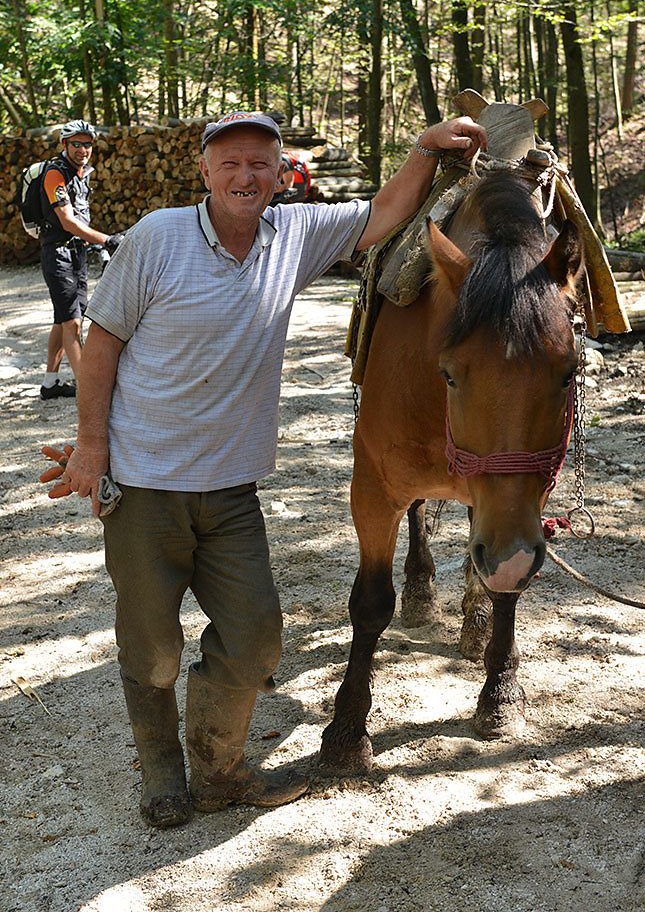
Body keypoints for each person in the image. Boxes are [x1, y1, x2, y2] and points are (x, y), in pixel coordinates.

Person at [43, 109, 486, 828]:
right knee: (152, 651)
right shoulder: (157, 237)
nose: (245, 177)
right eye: (230, 163)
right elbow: (102, 343)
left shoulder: (293, 235)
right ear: (204, 173)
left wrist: (423, 149)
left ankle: (217, 773)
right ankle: (163, 776)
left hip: (230, 490)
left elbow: (382, 211)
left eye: (260, 164)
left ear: (281, 175)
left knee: (255, 642)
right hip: (145, 487)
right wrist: (91, 446)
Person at [39, 120, 124, 399]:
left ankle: (50, 385)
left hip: (76, 253)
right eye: (76, 143)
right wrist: (106, 240)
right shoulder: (55, 174)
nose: (83, 149)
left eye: (87, 144)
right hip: (58, 255)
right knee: (73, 324)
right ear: (65, 144)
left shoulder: (81, 173)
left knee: (61, 320)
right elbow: (67, 221)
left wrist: (96, 245)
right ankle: (90, 390)